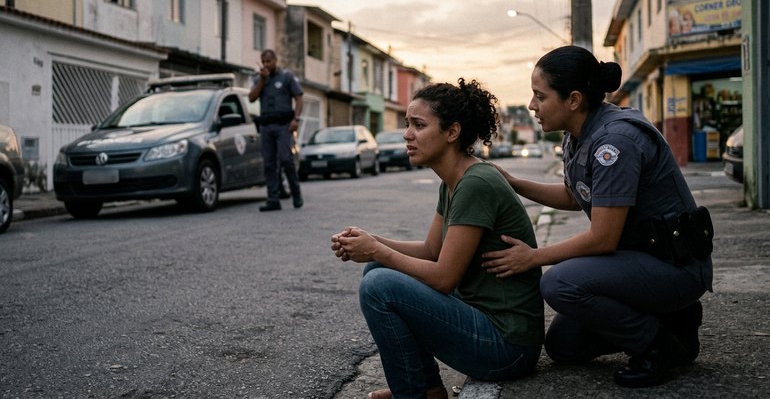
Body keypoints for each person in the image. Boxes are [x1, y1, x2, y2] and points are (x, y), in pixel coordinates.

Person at [481, 45, 713, 388]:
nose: (532, 106)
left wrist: (533, 258)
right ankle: (674, 323)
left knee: (558, 283)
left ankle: (657, 346)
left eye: (539, 96)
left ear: (573, 100)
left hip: (674, 267)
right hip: (639, 260)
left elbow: (602, 238)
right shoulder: (580, 135)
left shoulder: (615, 142)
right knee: (564, 346)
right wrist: (515, 184)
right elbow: (577, 197)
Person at [331, 79, 544, 399]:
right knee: (375, 269)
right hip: (485, 326)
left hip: (506, 346)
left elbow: (444, 278)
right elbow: (432, 251)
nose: (407, 134)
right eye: (407, 125)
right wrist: (372, 242)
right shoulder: (454, 182)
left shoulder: (476, 183)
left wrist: (376, 248)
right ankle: (425, 388)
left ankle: (413, 393)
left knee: (379, 285)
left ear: (452, 132)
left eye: (418, 125)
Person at [248, 49, 303, 211]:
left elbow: (299, 98)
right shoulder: (260, 79)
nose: (266, 64)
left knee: (285, 158)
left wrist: (296, 119)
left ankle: (296, 192)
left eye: (268, 61)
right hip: (266, 126)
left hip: (283, 126)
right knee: (269, 163)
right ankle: (273, 199)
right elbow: (251, 98)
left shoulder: (286, 77)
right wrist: (262, 81)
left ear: (275, 61)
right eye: (263, 61)